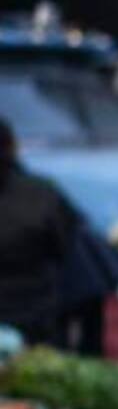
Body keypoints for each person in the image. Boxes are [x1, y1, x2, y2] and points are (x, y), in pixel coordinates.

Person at [0, 119, 78, 342]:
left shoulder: (41, 194)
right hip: (34, 316)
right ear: (12, 148)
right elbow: (65, 248)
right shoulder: (43, 194)